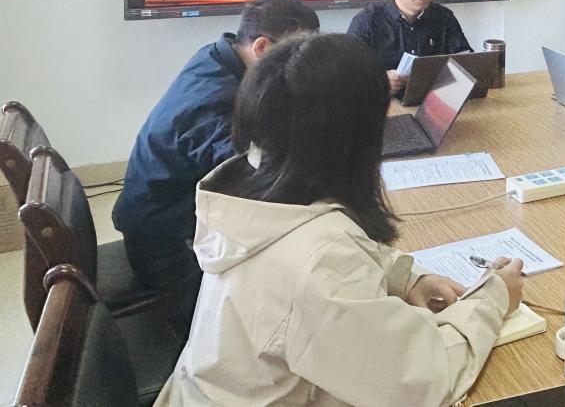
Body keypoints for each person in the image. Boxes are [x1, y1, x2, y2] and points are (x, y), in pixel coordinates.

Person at [156, 33, 524, 406]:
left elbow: (315, 252)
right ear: (357, 139)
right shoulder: (320, 258)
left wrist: (406, 277)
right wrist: (493, 299)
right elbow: (422, 383)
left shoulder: (252, 185)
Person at [113, 0, 319, 334]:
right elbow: (247, 173)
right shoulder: (211, 99)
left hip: (169, 214)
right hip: (167, 243)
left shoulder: (221, 57)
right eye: (296, 54)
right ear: (262, 48)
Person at [348, 0, 472, 96]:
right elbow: (347, 78)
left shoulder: (444, 18)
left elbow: (468, 68)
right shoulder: (367, 22)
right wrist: (379, 81)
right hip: (384, 106)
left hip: (434, 104)